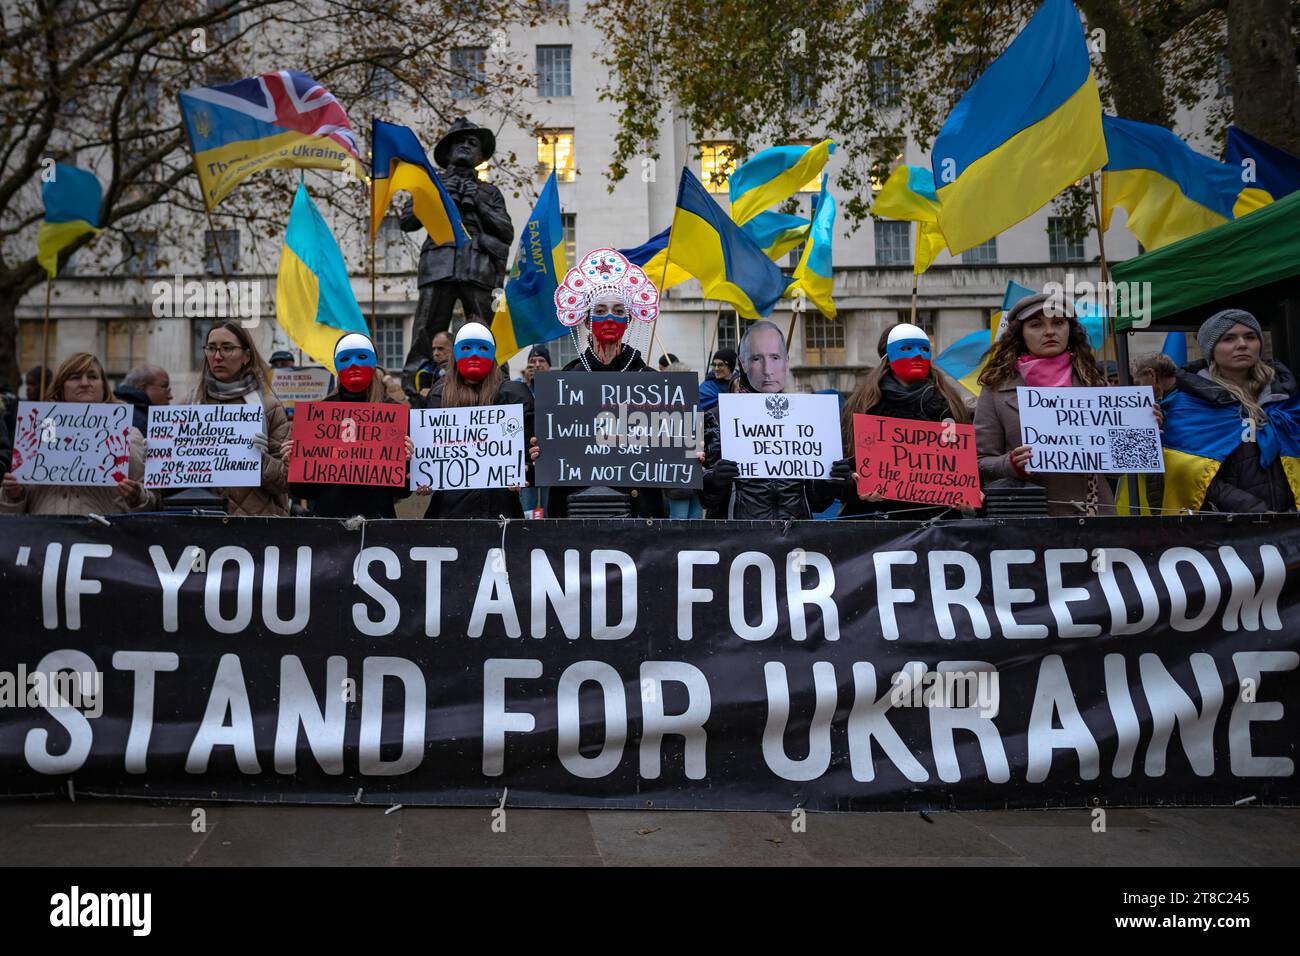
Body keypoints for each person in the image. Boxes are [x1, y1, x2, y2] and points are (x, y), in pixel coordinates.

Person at [529, 247, 666, 517]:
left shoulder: (649, 380)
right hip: (578, 508)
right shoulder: (566, 382)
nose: (610, 317)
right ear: (589, 321)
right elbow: (556, 444)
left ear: (627, 321)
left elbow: (672, 443)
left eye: (618, 311)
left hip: (637, 510)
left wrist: (688, 452)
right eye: (601, 310)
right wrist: (541, 450)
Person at [974, 292, 1137, 516]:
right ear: (1020, 334)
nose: (1049, 331)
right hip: (1026, 519)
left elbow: (1119, 470)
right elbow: (981, 462)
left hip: (1093, 516)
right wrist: (1010, 464)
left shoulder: (1096, 385)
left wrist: (1143, 425)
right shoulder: (995, 390)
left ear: (1070, 330)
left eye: (1058, 322)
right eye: (1036, 324)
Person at [400, 118, 514, 394]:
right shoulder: (429, 184)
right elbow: (407, 221)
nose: (465, 146)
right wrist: (436, 198)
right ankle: (417, 390)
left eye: (472, 143)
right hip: (439, 264)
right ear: (447, 151)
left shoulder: (489, 192)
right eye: (459, 142)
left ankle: (499, 388)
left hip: (478, 267)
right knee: (426, 329)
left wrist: (478, 203)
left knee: (487, 330)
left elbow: (506, 231)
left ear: (480, 156)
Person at [702, 320, 850, 519]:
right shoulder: (717, 418)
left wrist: (830, 480)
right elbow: (706, 500)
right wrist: (714, 480)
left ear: (786, 362)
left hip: (794, 540)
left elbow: (816, 502)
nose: (767, 369)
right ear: (743, 364)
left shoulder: (809, 417)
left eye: (775, 357)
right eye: (756, 358)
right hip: (737, 542)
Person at [1160, 309, 1300, 513]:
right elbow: (1186, 472)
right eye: (1229, 338)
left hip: (1289, 526)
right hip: (1227, 530)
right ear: (1211, 350)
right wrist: (1253, 509)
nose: (1242, 344)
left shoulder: (1286, 397)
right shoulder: (1191, 404)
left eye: (1250, 337)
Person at [832, 323, 972, 519]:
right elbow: (843, 470)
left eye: (924, 349)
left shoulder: (950, 405)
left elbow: (966, 466)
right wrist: (854, 486)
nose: (917, 355)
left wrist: (969, 495)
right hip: (876, 528)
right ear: (888, 356)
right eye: (906, 349)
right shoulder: (861, 406)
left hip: (938, 527)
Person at [0, 353, 155, 516]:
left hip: (104, 537)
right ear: (61, 387)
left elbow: (152, 502)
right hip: (44, 535)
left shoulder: (129, 434)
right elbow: (11, 510)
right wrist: (14, 494)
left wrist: (138, 497)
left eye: (93, 377)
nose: (85, 383)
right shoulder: (35, 430)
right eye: (75, 377)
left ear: (103, 386)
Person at [280, 332, 412, 519]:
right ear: (336, 364)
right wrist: (293, 462)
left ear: (374, 362)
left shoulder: (394, 414)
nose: (353, 364)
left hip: (378, 524)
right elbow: (304, 491)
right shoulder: (319, 415)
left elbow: (403, 492)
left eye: (361, 357)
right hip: (329, 524)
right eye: (345, 358)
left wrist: (406, 463)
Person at [414, 322, 534, 519]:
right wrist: (421, 472)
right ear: (455, 354)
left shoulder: (515, 395)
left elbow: (532, 455)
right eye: (466, 348)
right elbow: (427, 454)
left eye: (483, 348)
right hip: (448, 515)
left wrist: (526, 470)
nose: (475, 354)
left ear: (493, 354)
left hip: (501, 514)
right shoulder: (439, 395)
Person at [192, 321, 290, 516]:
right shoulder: (189, 405)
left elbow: (287, 482)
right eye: (211, 348)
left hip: (257, 528)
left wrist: (259, 460)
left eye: (227, 348)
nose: (217, 356)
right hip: (202, 523)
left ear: (246, 356)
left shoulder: (270, 408)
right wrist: (158, 456)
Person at [114, 364, 172, 434]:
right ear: (142, 387)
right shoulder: (135, 419)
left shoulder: (120, 410)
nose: (170, 396)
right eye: (164, 387)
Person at [413, 330, 453, 397]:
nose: (435, 353)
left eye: (441, 348)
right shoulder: (425, 374)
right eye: (434, 349)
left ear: (454, 348)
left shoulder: (466, 371)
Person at [698, 347, 736, 412]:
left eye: (720, 365)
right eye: (714, 365)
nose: (716, 368)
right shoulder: (706, 386)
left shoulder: (740, 383)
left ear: (730, 366)